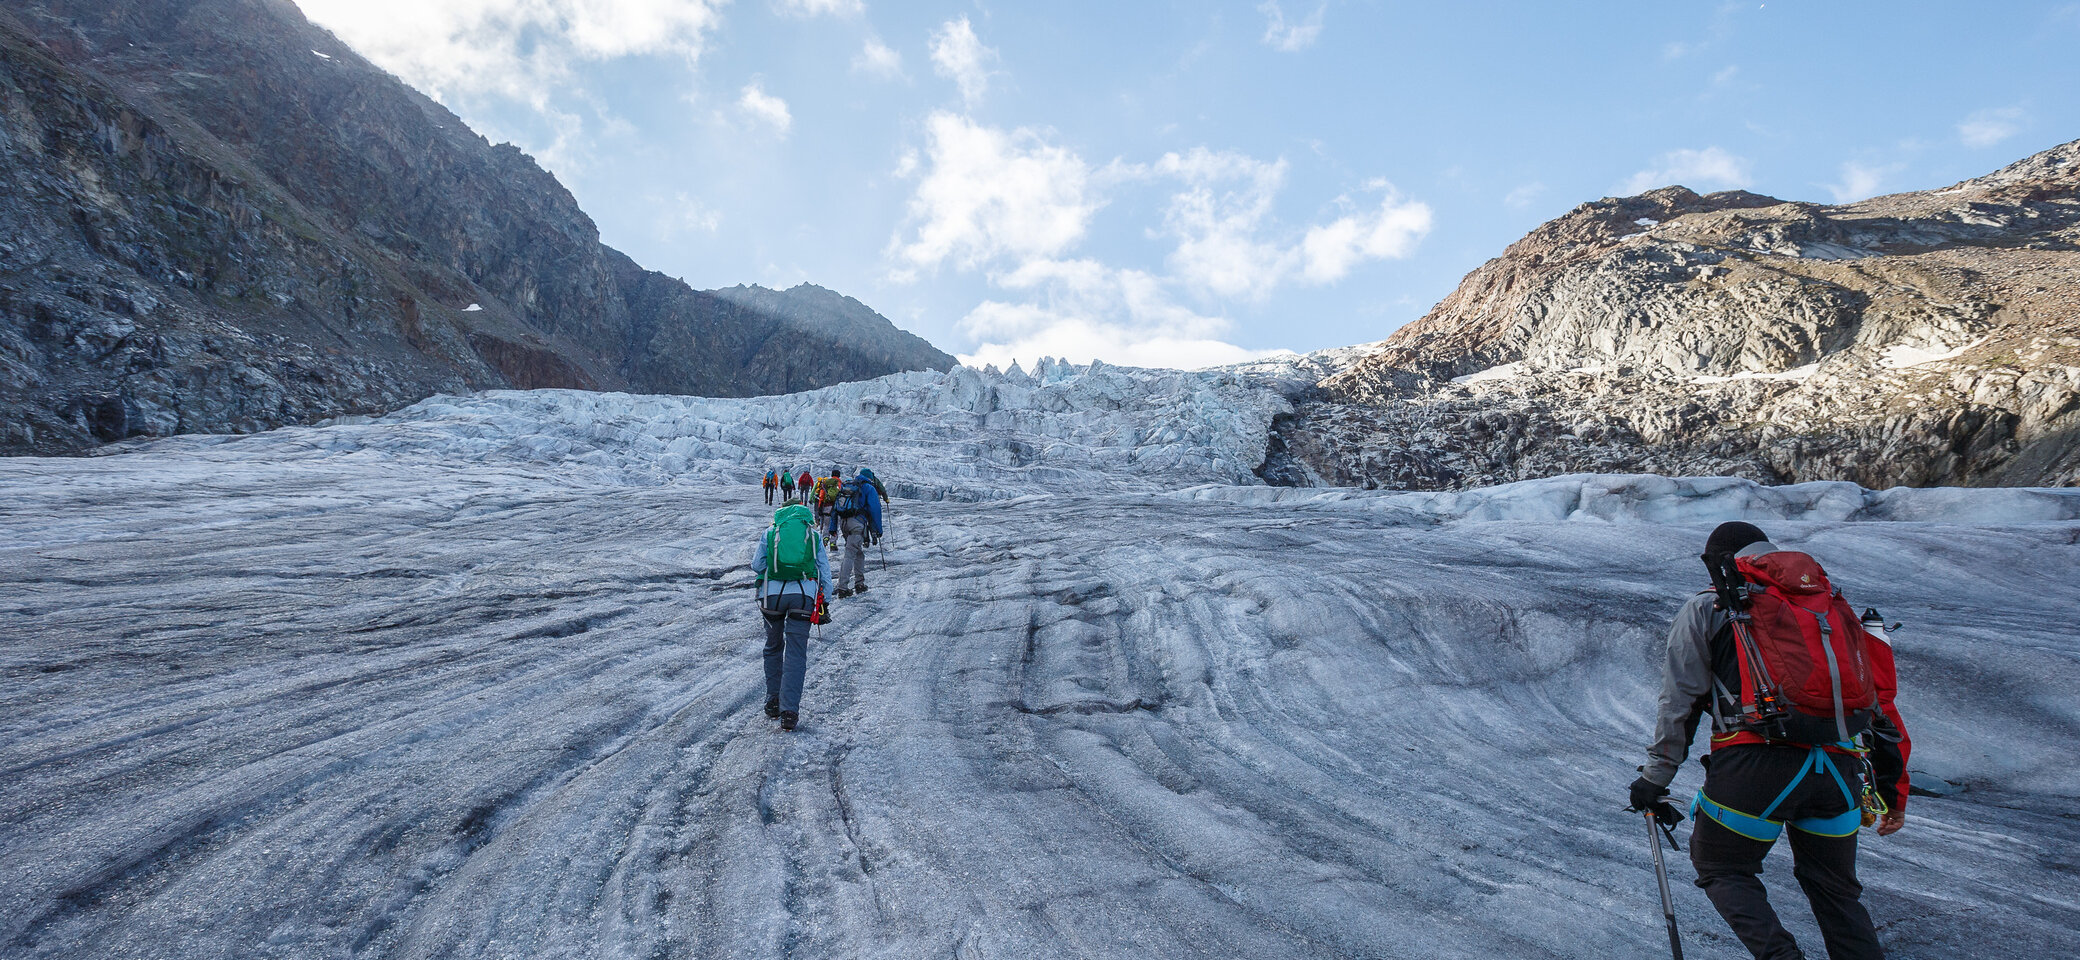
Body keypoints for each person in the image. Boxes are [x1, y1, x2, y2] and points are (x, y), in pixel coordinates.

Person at [1631, 521, 1910, 960]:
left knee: (1722, 867)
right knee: (1837, 893)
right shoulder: (1833, 609)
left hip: (1754, 768)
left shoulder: (1713, 605)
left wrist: (1655, 778)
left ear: (1720, 563)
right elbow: (1880, 705)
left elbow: (1679, 702)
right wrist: (1894, 791)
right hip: (1838, 773)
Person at [752, 503, 831, 731]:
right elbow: (824, 570)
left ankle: (772, 700)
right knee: (796, 653)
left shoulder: (770, 532)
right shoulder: (813, 536)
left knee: (773, 647)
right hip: (803, 597)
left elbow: (757, 565)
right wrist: (826, 601)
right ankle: (789, 712)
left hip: (771, 598)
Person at [825, 467, 883, 599]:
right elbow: (875, 510)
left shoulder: (848, 486)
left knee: (858, 553)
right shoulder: (868, 488)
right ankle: (843, 587)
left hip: (844, 523)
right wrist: (878, 530)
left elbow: (835, 508)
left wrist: (833, 528)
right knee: (850, 553)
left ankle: (859, 583)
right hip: (857, 524)